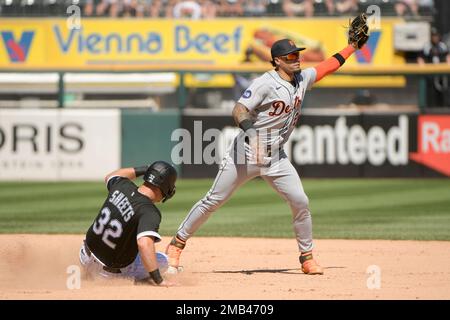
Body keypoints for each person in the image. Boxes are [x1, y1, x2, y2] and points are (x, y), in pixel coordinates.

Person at [166, 16, 370, 275]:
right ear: (277, 60)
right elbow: (239, 109)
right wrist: (252, 134)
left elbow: (328, 66)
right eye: (290, 56)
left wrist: (351, 47)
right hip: (247, 153)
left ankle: (306, 257)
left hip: (276, 157)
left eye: (297, 54)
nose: (295, 59)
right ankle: (177, 243)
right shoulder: (265, 83)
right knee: (213, 201)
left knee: (300, 201)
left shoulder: (302, 79)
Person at [79, 161, 177, 286]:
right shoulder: (149, 211)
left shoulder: (122, 185)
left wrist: (146, 168)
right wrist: (159, 280)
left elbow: (109, 176)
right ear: (166, 187)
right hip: (107, 274)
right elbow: (144, 244)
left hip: (84, 256)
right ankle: (142, 279)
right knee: (164, 261)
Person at [417, 27, 450, 107]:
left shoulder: (442, 46)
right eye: (433, 36)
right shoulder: (427, 46)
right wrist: (423, 68)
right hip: (430, 74)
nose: (435, 37)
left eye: (436, 36)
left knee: (443, 92)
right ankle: (430, 109)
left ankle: (443, 109)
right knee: (430, 93)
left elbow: (448, 56)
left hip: (441, 74)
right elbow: (420, 58)